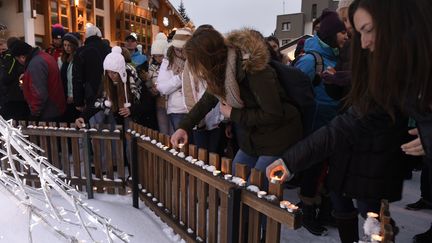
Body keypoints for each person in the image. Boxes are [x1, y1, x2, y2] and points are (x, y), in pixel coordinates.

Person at [266, 0, 432, 242]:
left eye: (367, 29)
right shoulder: (392, 73)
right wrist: (290, 161)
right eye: (356, 33)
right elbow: (348, 123)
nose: (363, 43)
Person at [170, 28, 302, 193]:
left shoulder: (254, 70)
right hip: (252, 137)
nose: (196, 70)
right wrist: (184, 126)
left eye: (197, 63)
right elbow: (206, 101)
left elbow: (274, 114)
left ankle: (251, 218)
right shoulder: (220, 72)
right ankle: (239, 217)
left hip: (277, 137)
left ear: (208, 58)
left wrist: (233, 114)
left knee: (257, 190)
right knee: (235, 180)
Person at [293, 9, 349, 236]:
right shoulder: (311, 59)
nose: (347, 36)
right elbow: (293, 91)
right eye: (342, 32)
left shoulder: (337, 56)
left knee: (329, 169)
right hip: (315, 127)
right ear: (330, 35)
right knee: (313, 169)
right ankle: (307, 212)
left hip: (334, 126)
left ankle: (325, 211)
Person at [75, 46, 156, 129]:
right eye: (108, 72)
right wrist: (83, 117)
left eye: (114, 73)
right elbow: (97, 102)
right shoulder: (107, 82)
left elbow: (147, 102)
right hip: (117, 122)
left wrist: (131, 110)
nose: (111, 76)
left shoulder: (132, 80)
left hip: (138, 123)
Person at [10, 40, 65, 121]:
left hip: (48, 111)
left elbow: (39, 93)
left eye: (18, 59)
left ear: (22, 57)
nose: (19, 62)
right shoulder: (43, 56)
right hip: (55, 107)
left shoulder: (35, 64)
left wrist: (34, 114)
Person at [156, 28, 193, 132]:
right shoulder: (168, 62)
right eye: (177, 49)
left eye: (183, 49)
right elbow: (162, 88)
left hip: (196, 109)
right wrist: (181, 78)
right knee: (181, 146)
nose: (180, 53)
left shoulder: (196, 61)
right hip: (178, 110)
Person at [73, 24, 110, 116]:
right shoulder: (109, 50)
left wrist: (78, 101)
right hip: (109, 92)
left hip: (90, 93)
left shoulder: (81, 51)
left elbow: (77, 78)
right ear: (100, 36)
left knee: (91, 121)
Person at [0, 37, 29, 120]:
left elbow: (5, 77)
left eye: (4, 49)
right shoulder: (21, 56)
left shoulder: (10, 56)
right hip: (18, 96)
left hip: (12, 97)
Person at [147, 33, 171, 134]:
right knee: (164, 132)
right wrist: (151, 88)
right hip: (159, 102)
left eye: (160, 56)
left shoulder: (171, 66)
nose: (158, 59)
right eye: (156, 56)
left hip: (172, 102)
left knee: (173, 132)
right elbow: (149, 80)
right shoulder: (151, 66)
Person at [58, 32, 81, 123]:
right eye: (64, 45)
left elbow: (74, 79)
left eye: (69, 45)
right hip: (65, 94)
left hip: (74, 96)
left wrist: (71, 95)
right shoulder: (63, 59)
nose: (67, 48)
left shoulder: (77, 58)